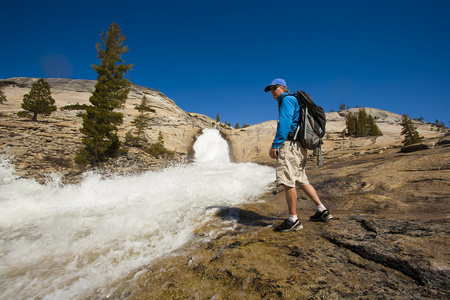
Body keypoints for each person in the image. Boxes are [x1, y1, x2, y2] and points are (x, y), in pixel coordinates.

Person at [265, 78, 332, 232]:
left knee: (288, 181)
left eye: (275, 88)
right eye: (270, 90)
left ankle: (293, 220)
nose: (272, 92)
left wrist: (275, 145)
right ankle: (322, 210)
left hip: (290, 145)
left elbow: (285, 122)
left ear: (283, 87)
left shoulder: (287, 100)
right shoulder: (295, 100)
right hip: (299, 146)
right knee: (301, 179)